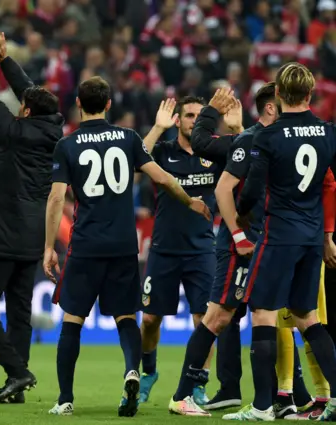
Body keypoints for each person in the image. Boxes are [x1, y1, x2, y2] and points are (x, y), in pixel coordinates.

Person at [43, 75, 211, 417]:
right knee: (125, 317)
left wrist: (49, 247)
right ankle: (133, 371)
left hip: (86, 244)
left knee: (72, 320)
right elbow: (162, 177)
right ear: (108, 104)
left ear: (78, 103)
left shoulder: (67, 144)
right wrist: (190, 200)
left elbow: (57, 196)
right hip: (123, 245)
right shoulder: (127, 138)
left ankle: (64, 398)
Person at [228, 62, 336, 421]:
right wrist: (327, 234)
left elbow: (253, 191)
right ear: (310, 94)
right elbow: (329, 184)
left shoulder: (268, 136)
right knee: (307, 316)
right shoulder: (327, 133)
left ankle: (261, 406)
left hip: (278, 236)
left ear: (277, 94)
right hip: (311, 238)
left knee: (262, 312)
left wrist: (241, 216)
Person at [0, 28, 64, 403]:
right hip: (32, 237)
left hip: (2, 235)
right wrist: (5, 61)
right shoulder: (54, 129)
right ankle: (15, 388)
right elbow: (35, 96)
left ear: (23, 110)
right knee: (19, 312)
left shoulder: (13, 133)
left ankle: (18, 372)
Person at [167, 83, 277, 416]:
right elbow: (203, 144)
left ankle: (268, 402)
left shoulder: (271, 140)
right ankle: (182, 395)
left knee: (266, 316)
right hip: (239, 243)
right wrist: (211, 112)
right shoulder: (249, 140)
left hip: (267, 239)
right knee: (217, 317)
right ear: (272, 107)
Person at [136, 95, 223, 405]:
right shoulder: (162, 152)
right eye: (188, 115)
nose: (193, 121)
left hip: (202, 250)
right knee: (149, 320)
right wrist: (158, 129)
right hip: (163, 249)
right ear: (178, 120)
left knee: (204, 320)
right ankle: (148, 372)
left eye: (199, 116)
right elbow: (133, 166)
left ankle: (198, 383)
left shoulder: (215, 153)